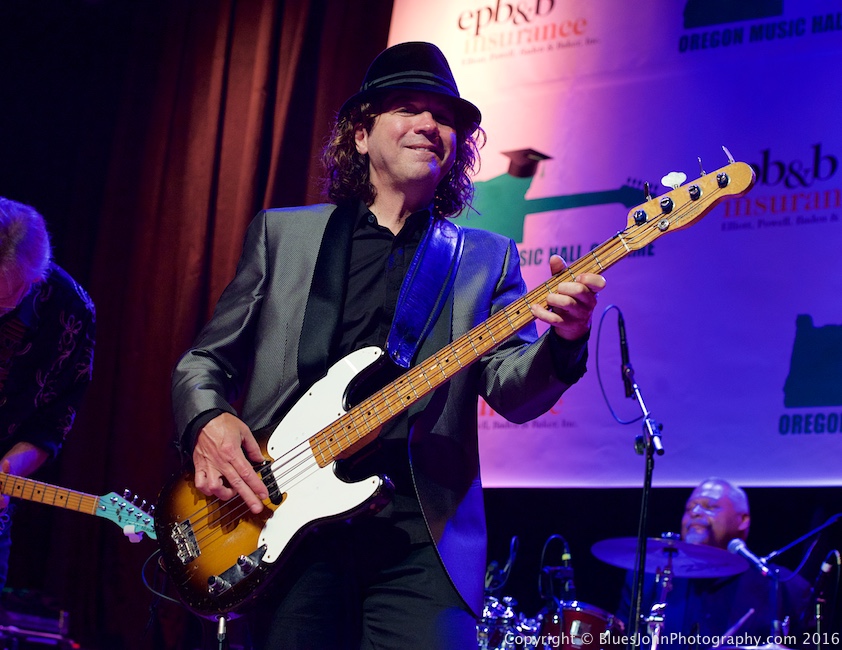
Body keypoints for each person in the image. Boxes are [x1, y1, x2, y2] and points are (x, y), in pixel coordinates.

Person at [171, 41, 604, 649]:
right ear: (360, 134)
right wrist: (207, 421)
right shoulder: (283, 235)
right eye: (408, 108)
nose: (430, 125)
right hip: (284, 518)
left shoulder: (486, 258)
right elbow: (204, 362)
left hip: (421, 532)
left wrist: (566, 340)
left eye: (445, 117)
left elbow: (513, 391)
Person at [0, 197, 96, 590]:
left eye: (3, 298)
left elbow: (51, 426)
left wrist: (7, 470)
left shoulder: (71, 312)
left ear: (36, 280)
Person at [617, 478, 813, 648]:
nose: (696, 512)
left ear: (743, 520)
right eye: (689, 508)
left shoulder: (781, 585)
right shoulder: (650, 577)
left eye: (709, 507)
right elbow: (620, 639)